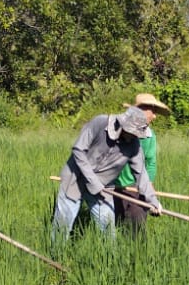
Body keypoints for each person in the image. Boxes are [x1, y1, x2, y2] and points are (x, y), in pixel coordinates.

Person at [53, 99, 166, 238]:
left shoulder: (134, 144)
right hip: (74, 180)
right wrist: (94, 182)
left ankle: (109, 258)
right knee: (62, 227)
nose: (134, 136)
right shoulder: (99, 123)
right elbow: (78, 150)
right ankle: (55, 256)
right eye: (132, 131)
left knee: (108, 232)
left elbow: (141, 174)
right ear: (123, 124)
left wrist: (153, 200)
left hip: (103, 187)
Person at [112, 94, 170, 237]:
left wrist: (150, 192)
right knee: (111, 226)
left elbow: (150, 164)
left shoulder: (150, 136)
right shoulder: (117, 129)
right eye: (153, 110)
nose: (155, 116)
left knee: (136, 227)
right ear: (141, 110)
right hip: (111, 186)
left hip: (135, 187)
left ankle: (135, 255)